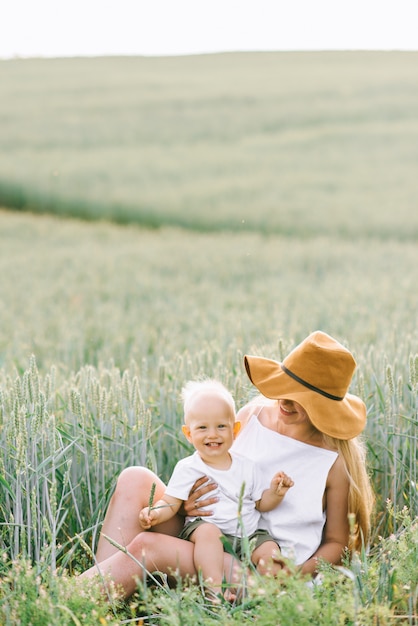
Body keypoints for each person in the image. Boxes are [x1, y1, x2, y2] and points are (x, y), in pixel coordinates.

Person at [80, 331, 374, 599]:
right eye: (284, 386)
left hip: (257, 568)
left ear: (325, 407)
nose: (284, 400)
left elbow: (339, 542)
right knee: (135, 479)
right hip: (211, 535)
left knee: (148, 547)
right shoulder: (252, 416)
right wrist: (185, 504)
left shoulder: (333, 461)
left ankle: (74, 599)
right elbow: (210, 470)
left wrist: (296, 575)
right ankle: (103, 592)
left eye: (300, 397)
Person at [137, 379, 293, 600]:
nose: (212, 434)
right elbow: (171, 502)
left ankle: (268, 597)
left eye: (221, 426)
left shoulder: (248, 467)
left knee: (270, 551)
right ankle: (214, 594)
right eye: (202, 427)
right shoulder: (188, 468)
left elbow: (261, 503)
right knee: (209, 534)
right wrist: (154, 512)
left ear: (235, 430)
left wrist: (277, 493)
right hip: (206, 529)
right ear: (188, 434)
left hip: (248, 534)